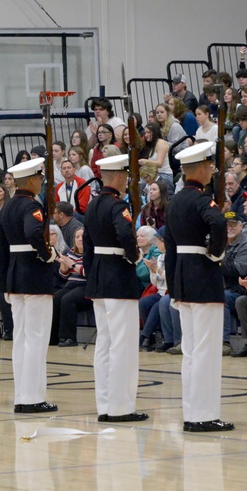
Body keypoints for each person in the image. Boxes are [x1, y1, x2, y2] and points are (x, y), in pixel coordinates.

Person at [163, 142, 232, 432]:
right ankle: (204, 415)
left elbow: (168, 248)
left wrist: (171, 287)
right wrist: (216, 253)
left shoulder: (175, 201)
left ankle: (193, 411)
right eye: (209, 166)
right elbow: (218, 223)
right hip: (203, 277)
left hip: (181, 277)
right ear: (201, 169)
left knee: (191, 350)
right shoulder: (203, 200)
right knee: (205, 349)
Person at [84, 154, 147, 422]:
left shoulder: (93, 204)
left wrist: (90, 273)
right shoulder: (117, 204)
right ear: (120, 177)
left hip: (98, 277)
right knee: (123, 343)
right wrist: (134, 256)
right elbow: (125, 234)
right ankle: (121, 407)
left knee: (105, 343)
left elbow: (86, 244)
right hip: (118, 278)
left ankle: (105, 405)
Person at [0, 156, 59, 413]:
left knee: (21, 338)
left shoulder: (8, 207)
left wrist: (2, 279)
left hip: (14, 277)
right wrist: (48, 255)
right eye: (41, 179)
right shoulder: (32, 205)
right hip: (34, 276)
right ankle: (33, 398)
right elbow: (34, 233)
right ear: (32, 180)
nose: (42, 183)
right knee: (35, 338)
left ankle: (23, 396)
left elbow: (0, 247)